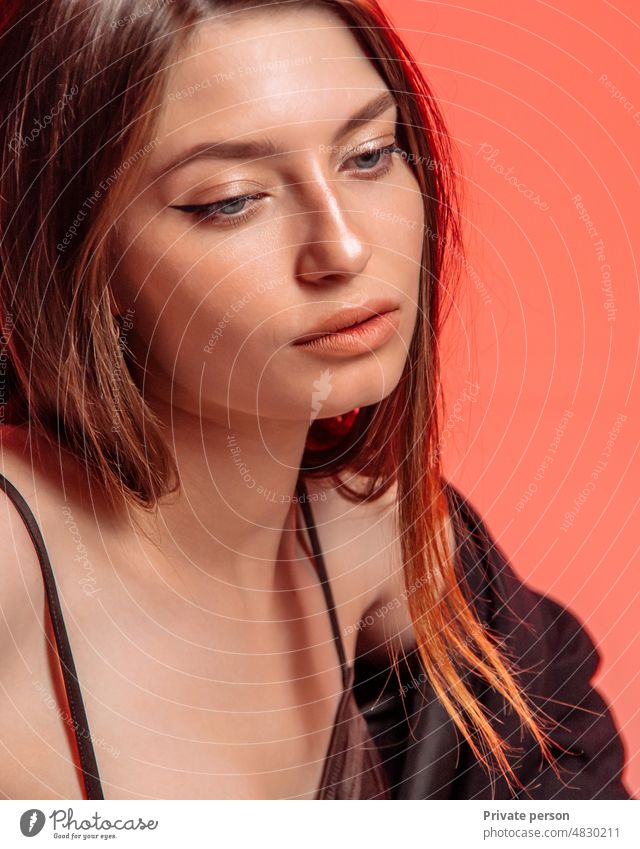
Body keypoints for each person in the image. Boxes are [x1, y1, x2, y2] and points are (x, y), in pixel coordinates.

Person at [0, 0, 631, 800]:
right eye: (230, 199)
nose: (344, 247)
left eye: (369, 155)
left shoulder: (372, 531)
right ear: (76, 256)